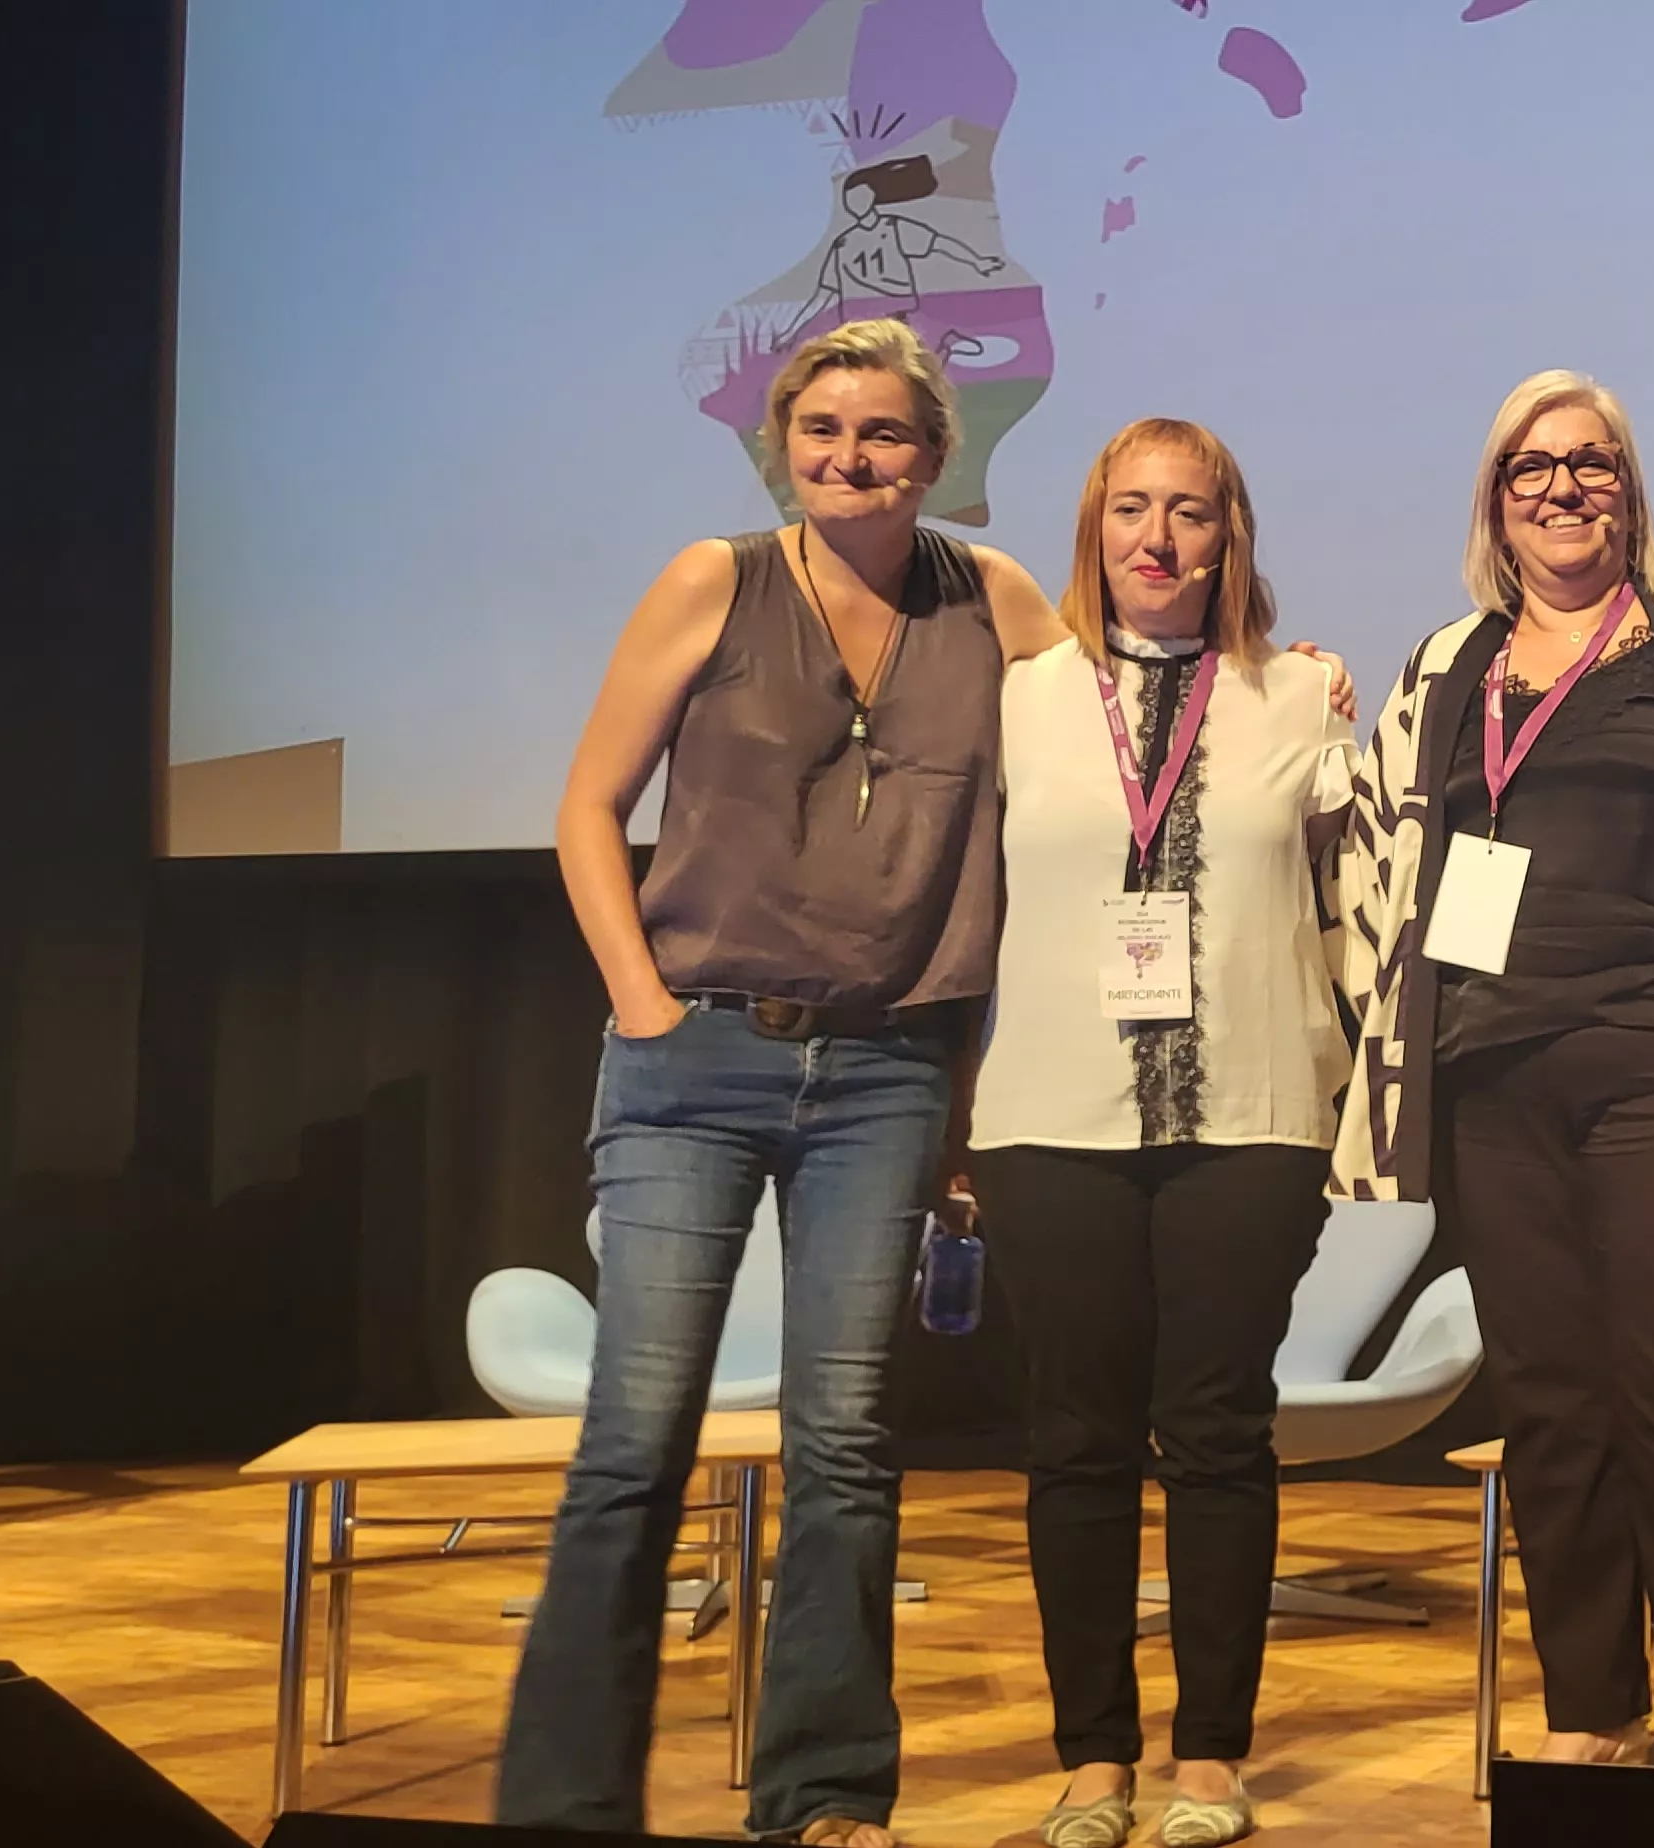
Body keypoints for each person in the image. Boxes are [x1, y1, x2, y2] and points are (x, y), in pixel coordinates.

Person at [509, 318, 1058, 1846]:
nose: (849, 458)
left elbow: (1128, 734)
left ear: (936, 455)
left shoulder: (991, 595)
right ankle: (562, 1805)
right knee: (636, 1440)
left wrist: (1300, 672)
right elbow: (587, 804)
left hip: (887, 1072)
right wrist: (644, 1007)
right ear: (784, 444)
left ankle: (820, 1797)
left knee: (845, 1444)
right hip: (697, 1052)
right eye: (820, 430)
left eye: (881, 433)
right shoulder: (716, 579)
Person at [1332, 371, 1654, 1773]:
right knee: (1549, 1397)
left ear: (1631, 487)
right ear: (1497, 500)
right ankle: (1595, 1711)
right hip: (1496, 1080)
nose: (1563, 489)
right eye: (1533, 469)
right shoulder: (1442, 672)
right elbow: (1368, 856)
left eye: (1592, 464)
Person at [967, 419, 1364, 1848]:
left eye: (1189, 512)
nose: (1158, 538)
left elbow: (1367, 882)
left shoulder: (1304, 693)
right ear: (1092, 529)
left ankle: (1208, 1755)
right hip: (1049, 1120)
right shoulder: (1016, 698)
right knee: (1075, 1440)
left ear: (1229, 534)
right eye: (1130, 509)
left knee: (1216, 1436)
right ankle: (1092, 1758)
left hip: (1253, 1117)